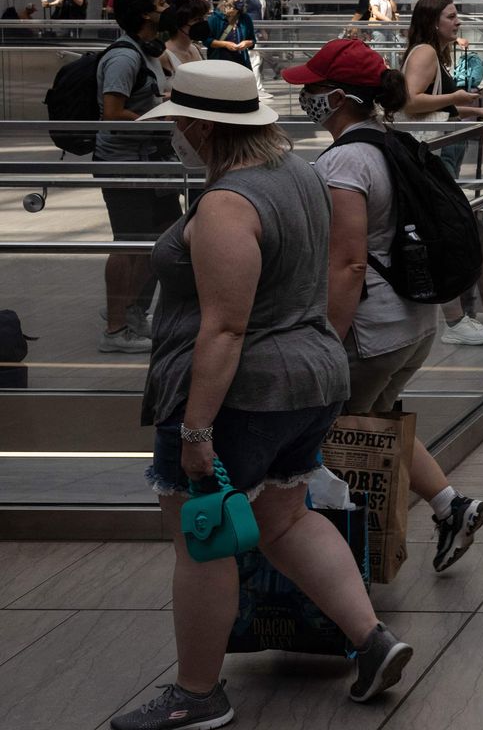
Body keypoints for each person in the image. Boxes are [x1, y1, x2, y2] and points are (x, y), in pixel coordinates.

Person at [113, 61, 411, 730]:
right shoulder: (301, 175)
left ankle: (198, 694)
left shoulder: (228, 203)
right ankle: (372, 640)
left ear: (198, 126)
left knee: (204, 540)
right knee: (285, 519)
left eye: (178, 125)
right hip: (310, 381)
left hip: (239, 395)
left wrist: (195, 431)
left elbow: (225, 325)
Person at [287, 38, 483, 574]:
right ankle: (452, 507)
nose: (304, 95)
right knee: (375, 421)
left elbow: (349, 264)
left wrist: (325, 341)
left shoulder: (342, 164)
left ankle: (342, 557)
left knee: (331, 436)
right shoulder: (391, 141)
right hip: (413, 323)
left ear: (336, 97)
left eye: (312, 88)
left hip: (369, 333)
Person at [400, 0, 483, 346]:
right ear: (433, 21)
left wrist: (472, 111)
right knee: (442, 232)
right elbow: (411, 101)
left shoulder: (431, 52)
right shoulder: (425, 53)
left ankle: (456, 317)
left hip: (429, 150)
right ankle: (455, 321)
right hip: (424, 153)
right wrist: (457, 98)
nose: (458, 22)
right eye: (451, 16)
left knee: (440, 230)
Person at [95, 0, 179, 354]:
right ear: (145, 13)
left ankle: (134, 313)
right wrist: (156, 119)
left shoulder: (146, 51)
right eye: (159, 4)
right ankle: (114, 331)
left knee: (161, 238)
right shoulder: (123, 57)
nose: (165, 10)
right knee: (129, 244)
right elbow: (112, 114)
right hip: (125, 163)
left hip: (151, 161)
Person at [158, 0, 211, 77]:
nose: (202, 23)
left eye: (203, 19)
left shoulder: (196, 49)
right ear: (179, 23)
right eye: (196, 20)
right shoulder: (164, 56)